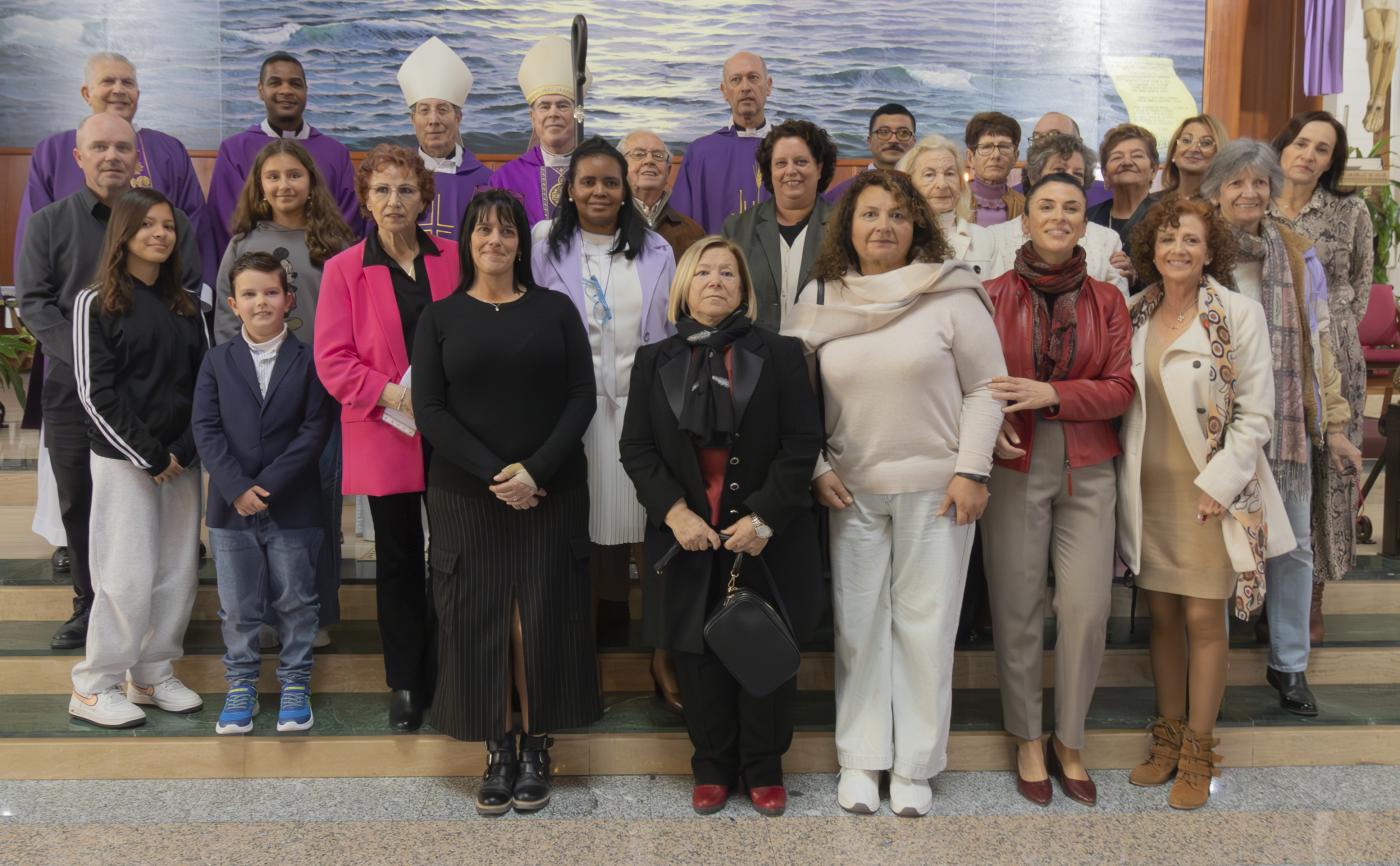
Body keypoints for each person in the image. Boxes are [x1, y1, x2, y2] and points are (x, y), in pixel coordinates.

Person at [783, 170, 1005, 817]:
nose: (884, 225)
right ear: (847, 225)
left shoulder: (952, 290)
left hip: (939, 490)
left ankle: (913, 766)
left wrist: (973, 470)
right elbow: (792, 398)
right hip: (849, 491)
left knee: (925, 627)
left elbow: (988, 387)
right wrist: (817, 464)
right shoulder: (821, 295)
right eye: (871, 213)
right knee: (858, 628)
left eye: (899, 216)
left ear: (919, 227)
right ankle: (860, 758)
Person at [620, 235, 824, 817]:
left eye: (728, 274)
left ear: (744, 289)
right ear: (685, 285)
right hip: (685, 538)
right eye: (704, 271)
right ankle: (711, 766)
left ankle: (764, 768)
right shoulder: (653, 359)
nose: (716, 281)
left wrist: (764, 518)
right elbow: (636, 448)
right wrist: (675, 512)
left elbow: (801, 444)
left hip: (762, 537)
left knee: (761, 654)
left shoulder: (780, 353)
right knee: (698, 657)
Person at [413, 189, 599, 815]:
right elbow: (430, 411)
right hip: (468, 494)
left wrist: (536, 469)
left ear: (523, 242)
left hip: (552, 489)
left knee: (540, 615)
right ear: (466, 240)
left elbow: (581, 396)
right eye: (484, 230)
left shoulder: (555, 309)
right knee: (481, 617)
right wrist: (499, 473)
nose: (495, 241)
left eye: (508, 231)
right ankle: (497, 747)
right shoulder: (439, 317)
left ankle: (538, 745)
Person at [1119, 196, 1296, 810]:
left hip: (1208, 492)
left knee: (1202, 620)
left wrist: (1218, 483)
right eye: (1168, 239)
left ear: (1209, 249)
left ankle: (1199, 747)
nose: (1178, 250)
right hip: (1146, 488)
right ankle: (1165, 739)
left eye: (1191, 240)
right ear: (1151, 248)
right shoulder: (1133, 310)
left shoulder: (1236, 313)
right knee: (1162, 616)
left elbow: (1257, 413)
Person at [16, 52, 209, 588]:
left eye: (123, 147)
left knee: (164, 494)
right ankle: (86, 601)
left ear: (136, 155)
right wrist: (86, 355)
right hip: (74, 387)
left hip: (158, 385)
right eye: (99, 147)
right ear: (78, 156)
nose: (112, 156)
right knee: (80, 497)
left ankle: (166, 608)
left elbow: (189, 294)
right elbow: (34, 301)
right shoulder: (49, 225)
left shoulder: (168, 224)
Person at [981, 173, 1134, 808]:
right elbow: (970, 380)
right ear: (1027, 218)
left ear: (1084, 222)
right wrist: (985, 432)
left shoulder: (1108, 300)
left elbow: (1122, 387)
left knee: (1086, 609)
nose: (1060, 215)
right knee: (1016, 607)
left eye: (1071, 207)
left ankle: (1070, 739)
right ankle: (1026, 735)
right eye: (1047, 205)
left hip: (1090, 461)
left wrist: (1055, 394)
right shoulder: (986, 295)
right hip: (1014, 460)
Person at [1204, 140, 1358, 716]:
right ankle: (1209, 665)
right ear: (1215, 191)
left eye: (1260, 184)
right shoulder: (1195, 247)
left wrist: (1337, 424)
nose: (1249, 193)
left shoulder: (1296, 252)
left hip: (1287, 428)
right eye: (1236, 183)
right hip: (1215, 427)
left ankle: (1289, 665)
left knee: (1291, 550)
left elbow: (1320, 346)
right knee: (1217, 548)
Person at [314, 143, 460, 732]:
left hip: (453, 432)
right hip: (387, 427)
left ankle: (452, 669)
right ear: (365, 199)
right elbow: (333, 359)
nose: (394, 200)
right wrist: (400, 397)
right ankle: (405, 680)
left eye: (405, 189)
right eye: (382, 190)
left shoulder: (455, 258)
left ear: (425, 196)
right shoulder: (344, 269)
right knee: (398, 558)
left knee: (454, 556)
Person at [67, 187, 208, 728]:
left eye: (167, 225)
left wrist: (182, 452)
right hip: (126, 462)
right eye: (147, 224)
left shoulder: (188, 305)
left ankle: (151, 673)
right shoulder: (95, 301)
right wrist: (150, 456)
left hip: (180, 463)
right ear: (122, 233)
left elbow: (204, 387)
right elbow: (94, 393)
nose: (159, 234)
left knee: (176, 573)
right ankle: (95, 684)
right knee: (126, 575)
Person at [531, 137, 676, 661]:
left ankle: (663, 655)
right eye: (587, 181)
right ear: (569, 190)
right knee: (582, 534)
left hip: (642, 413)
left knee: (653, 531)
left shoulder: (657, 249)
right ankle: (578, 653)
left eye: (610, 182)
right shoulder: (544, 244)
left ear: (625, 190)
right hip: (573, 414)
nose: (599, 191)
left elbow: (669, 331)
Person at [213, 139, 354, 643]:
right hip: (260, 396)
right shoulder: (243, 241)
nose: (284, 185)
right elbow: (227, 329)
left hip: (320, 393)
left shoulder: (335, 241)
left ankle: (315, 613)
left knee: (317, 504)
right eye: (273, 176)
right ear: (259, 185)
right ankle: (267, 614)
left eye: (294, 175)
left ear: (312, 182)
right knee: (266, 501)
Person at [195, 252, 335, 735]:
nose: (261, 302)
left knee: (297, 599)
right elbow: (205, 429)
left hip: (293, 502)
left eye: (271, 292)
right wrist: (236, 487)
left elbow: (315, 430)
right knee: (237, 605)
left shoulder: (311, 358)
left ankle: (295, 682)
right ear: (234, 304)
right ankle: (241, 685)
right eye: (250, 294)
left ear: (288, 299)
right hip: (230, 508)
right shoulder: (216, 360)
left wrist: (268, 486)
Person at [1270, 110, 1375, 638]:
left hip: (1334, 359)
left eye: (1322, 149)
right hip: (1273, 356)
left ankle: (1312, 597)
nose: (1308, 156)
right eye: (1302, 143)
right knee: (1280, 473)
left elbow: (1360, 280)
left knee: (1329, 475)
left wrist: (1330, 339)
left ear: (1332, 162)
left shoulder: (1350, 210)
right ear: (1284, 146)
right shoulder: (1254, 202)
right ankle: (1268, 595)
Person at [204, 52, 362, 287]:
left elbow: (348, 220)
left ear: (306, 91)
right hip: (255, 276)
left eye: (295, 84)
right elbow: (227, 219)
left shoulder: (335, 152)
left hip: (320, 272)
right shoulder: (235, 150)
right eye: (275, 82)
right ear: (260, 90)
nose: (286, 90)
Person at [722, 120, 837, 330]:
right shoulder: (737, 228)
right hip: (753, 355)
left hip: (820, 355)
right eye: (781, 163)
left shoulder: (842, 229)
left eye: (801, 162)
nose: (791, 171)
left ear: (819, 168)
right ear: (769, 171)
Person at [985, 133, 1131, 293]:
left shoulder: (1106, 241)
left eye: (1078, 174)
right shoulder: (994, 239)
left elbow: (1119, 306)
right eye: (1059, 170)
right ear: (1034, 176)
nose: (1068, 178)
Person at [397, 36, 494, 240]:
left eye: (442, 109)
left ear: (458, 118)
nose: (433, 120)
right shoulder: (397, 177)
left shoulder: (485, 181)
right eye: (424, 110)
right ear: (413, 119)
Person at [488, 35, 590, 226]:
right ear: (532, 118)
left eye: (562, 105)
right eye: (544, 106)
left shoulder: (596, 169)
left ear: (578, 114)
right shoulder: (505, 179)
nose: (553, 113)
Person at [670, 51, 773, 232]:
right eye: (736, 80)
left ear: (769, 86)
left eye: (753, 77)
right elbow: (682, 226)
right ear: (724, 91)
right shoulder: (701, 153)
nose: (745, 87)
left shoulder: (789, 151)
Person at [895, 134, 995, 277]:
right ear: (909, 183)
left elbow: (998, 295)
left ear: (960, 182)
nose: (942, 185)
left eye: (949, 174)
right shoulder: (898, 237)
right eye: (929, 175)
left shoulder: (985, 238)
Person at [621, 129, 705, 262]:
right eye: (639, 154)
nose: (649, 161)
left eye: (658, 156)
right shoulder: (605, 224)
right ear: (620, 166)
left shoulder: (693, 232)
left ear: (668, 171)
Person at [1089, 124, 1160, 256]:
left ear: (1153, 170)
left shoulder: (1168, 217)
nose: (1127, 162)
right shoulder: (1088, 218)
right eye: (1117, 157)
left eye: (1137, 156)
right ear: (1105, 174)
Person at [825, 103, 917, 203]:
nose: (893, 140)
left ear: (914, 142)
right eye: (884, 132)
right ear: (869, 141)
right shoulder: (841, 194)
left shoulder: (925, 190)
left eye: (903, 133)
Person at [1020, 112, 1111, 207]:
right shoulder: (1018, 199)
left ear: (1077, 143)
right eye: (1037, 138)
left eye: (1054, 136)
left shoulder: (1105, 197)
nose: (1043, 144)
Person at [963, 111, 1024, 226]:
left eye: (1004, 146)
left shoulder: (1025, 208)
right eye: (986, 147)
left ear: (1015, 157)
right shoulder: (953, 201)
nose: (996, 155)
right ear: (970, 158)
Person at [1160, 114, 1229, 199]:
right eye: (1186, 140)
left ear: (1219, 153)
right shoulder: (1152, 204)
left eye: (1206, 143)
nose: (1193, 149)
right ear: (1174, 151)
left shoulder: (1224, 205)